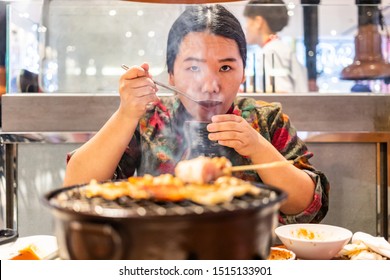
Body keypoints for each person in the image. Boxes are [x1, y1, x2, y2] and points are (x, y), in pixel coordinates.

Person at [64, 4, 329, 224]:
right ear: (171, 74)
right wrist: (125, 114)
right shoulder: (148, 120)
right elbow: (76, 187)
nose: (210, 85)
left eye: (225, 68)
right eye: (193, 68)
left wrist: (258, 146)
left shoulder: (266, 120)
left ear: (243, 72)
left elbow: (310, 206)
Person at [244, 0, 308, 93]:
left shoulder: (271, 51)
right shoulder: (278, 47)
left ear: (258, 21)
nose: (246, 27)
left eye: (248, 21)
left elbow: (282, 92)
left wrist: (249, 92)